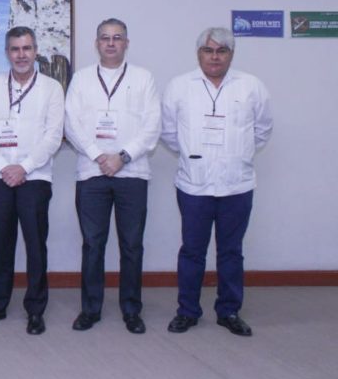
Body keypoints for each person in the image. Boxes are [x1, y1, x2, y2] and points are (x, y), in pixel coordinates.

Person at [161, 27, 273, 337]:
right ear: (198, 54)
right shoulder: (179, 86)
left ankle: (229, 311)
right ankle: (187, 311)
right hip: (193, 185)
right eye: (208, 51)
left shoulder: (251, 86)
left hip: (237, 185)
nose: (214, 57)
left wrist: (239, 155)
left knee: (231, 252)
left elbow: (263, 129)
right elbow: (169, 133)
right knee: (192, 252)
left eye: (221, 51)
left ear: (231, 54)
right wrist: (192, 155)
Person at [64, 18, 160, 334]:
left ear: (126, 43)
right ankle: (90, 309)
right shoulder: (81, 79)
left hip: (132, 172)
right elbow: (71, 124)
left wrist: (122, 157)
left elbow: (152, 126)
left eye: (117, 37)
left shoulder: (143, 78)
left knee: (132, 244)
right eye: (105, 37)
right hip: (91, 173)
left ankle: (131, 310)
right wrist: (98, 155)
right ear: (96, 43)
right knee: (93, 243)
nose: (110, 43)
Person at [0, 26, 64, 335]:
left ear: (35, 51)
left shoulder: (51, 88)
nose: (21, 55)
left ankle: (35, 310)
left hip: (35, 176)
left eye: (26, 48)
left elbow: (53, 136)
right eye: (15, 49)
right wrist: (3, 167)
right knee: (2, 244)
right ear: (7, 53)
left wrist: (23, 167)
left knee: (36, 244)